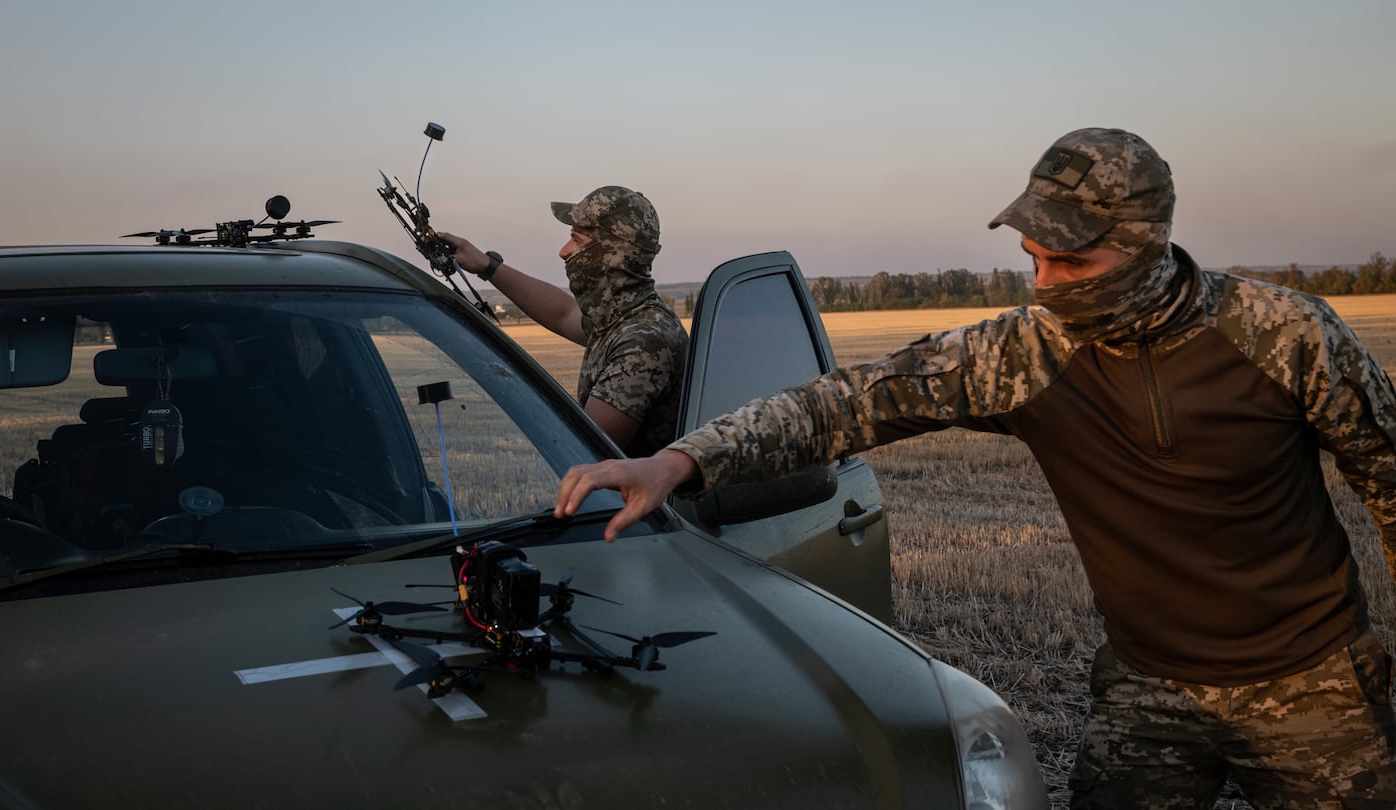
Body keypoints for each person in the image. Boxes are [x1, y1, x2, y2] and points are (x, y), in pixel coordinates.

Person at [554, 128, 1396, 807]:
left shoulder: (1288, 336)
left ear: (1144, 243)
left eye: (1071, 262)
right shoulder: (1028, 354)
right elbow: (845, 403)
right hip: (1150, 688)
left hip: (1317, 686)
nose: (1045, 283)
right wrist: (683, 459)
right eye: (1034, 258)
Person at [438, 186, 688, 457]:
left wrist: (505, 383)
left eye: (577, 240)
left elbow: (584, 452)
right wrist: (487, 265)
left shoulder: (643, 341)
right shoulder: (626, 316)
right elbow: (564, 312)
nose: (563, 251)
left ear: (611, 253)